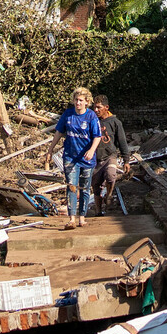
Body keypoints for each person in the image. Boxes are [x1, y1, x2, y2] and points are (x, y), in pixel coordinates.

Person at [48, 86, 101, 228]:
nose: (78, 103)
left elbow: (97, 136)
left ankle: (82, 217)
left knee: (84, 188)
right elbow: (59, 132)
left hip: (86, 159)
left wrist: (91, 150)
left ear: (86, 102)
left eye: (81, 100)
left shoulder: (91, 116)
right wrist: (50, 149)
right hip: (70, 157)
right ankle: (72, 219)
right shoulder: (68, 115)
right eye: (76, 100)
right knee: (72, 186)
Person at [91, 95, 132, 216]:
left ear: (106, 107)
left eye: (99, 107)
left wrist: (126, 160)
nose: (96, 110)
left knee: (110, 175)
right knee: (96, 185)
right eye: (94, 107)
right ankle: (98, 211)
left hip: (110, 156)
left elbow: (122, 142)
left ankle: (109, 194)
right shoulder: (93, 121)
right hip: (96, 157)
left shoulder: (115, 122)